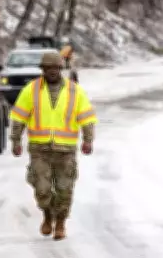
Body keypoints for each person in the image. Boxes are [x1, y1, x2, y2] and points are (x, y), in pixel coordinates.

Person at [9, 51, 97, 241]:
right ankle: (47, 216)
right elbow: (18, 118)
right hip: (40, 150)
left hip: (66, 151)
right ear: (42, 70)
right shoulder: (31, 90)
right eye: (48, 68)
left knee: (65, 190)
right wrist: (16, 140)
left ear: (61, 69)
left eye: (55, 68)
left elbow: (87, 118)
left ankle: (61, 224)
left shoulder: (75, 91)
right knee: (42, 189)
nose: (52, 71)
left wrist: (88, 139)